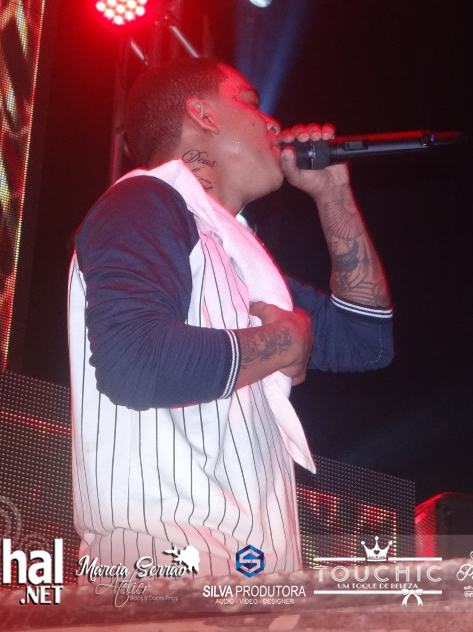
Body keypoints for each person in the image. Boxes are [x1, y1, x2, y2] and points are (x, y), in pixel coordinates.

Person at [68, 57, 393, 576]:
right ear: (204, 114)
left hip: (248, 572)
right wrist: (281, 344)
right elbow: (133, 360)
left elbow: (364, 338)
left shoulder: (240, 258)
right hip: (164, 565)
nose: (273, 123)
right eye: (251, 103)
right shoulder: (144, 200)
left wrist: (333, 196)